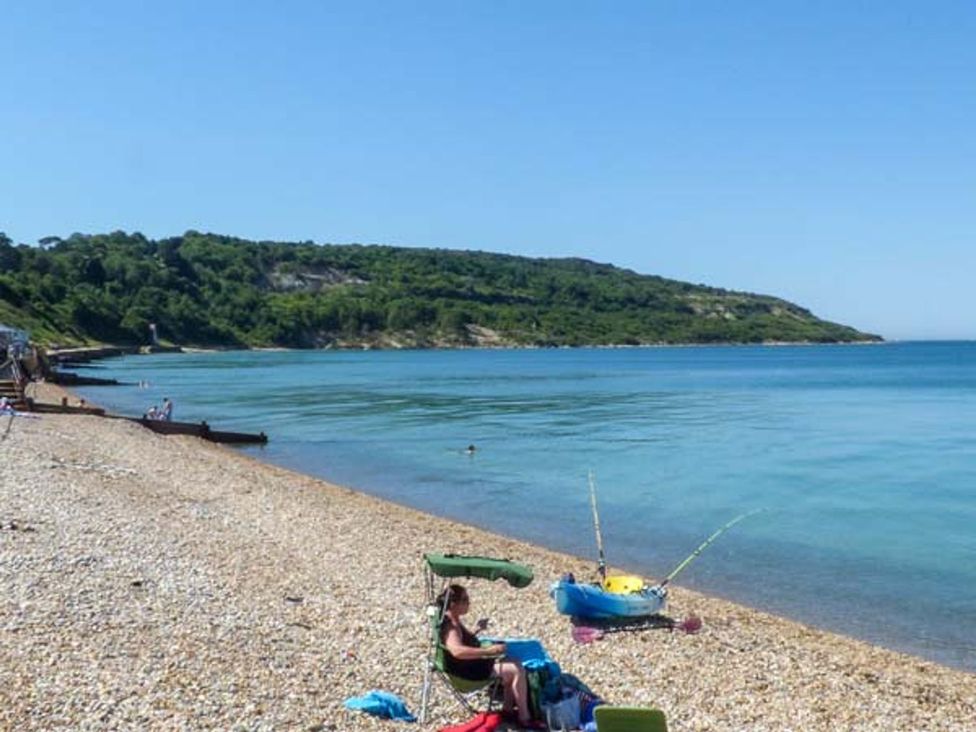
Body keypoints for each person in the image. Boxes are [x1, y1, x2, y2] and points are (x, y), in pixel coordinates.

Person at [437, 584, 539, 729]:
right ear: (454, 604)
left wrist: (478, 629)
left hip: (465, 666)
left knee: (511, 663)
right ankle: (524, 717)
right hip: (466, 673)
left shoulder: (451, 618)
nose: (469, 603)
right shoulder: (451, 626)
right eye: (465, 600)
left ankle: (508, 710)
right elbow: (457, 651)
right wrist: (489, 651)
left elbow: (462, 642)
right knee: (517, 669)